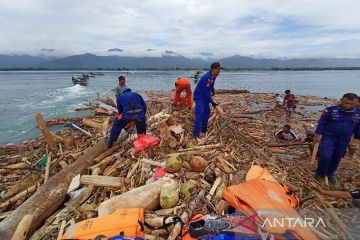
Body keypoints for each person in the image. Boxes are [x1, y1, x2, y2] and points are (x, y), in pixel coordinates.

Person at [313, 93, 360, 184]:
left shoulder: (357, 114)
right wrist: (317, 135)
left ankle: (330, 173)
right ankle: (319, 174)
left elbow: (357, 128)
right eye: (346, 103)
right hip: (329, 138)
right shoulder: (330, 110)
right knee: (325, 156)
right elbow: (322, 123)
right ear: (341, 100)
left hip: (344, 140)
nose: (348, 105)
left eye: (351, 104)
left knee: (337, 157)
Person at [193, 62, 224, 139]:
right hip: (199, 96)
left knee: (207, 112)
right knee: (200, 113)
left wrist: (212, 89)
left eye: (220, 69)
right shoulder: (207, 77)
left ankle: (204, 130)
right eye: (218, 69)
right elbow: (206, 93)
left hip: (205, 95)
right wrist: (213, 103)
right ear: (213, 69)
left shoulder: (213, 76)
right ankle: (195, 135)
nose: (219, 71)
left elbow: (211, 85)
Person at [343, 96, 360, 161]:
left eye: (355, 101)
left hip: (357, 131)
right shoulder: (352, 109)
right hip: (349, 129)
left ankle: (349, 156)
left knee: (353, 144)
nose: (353, 103)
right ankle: (347, 155)